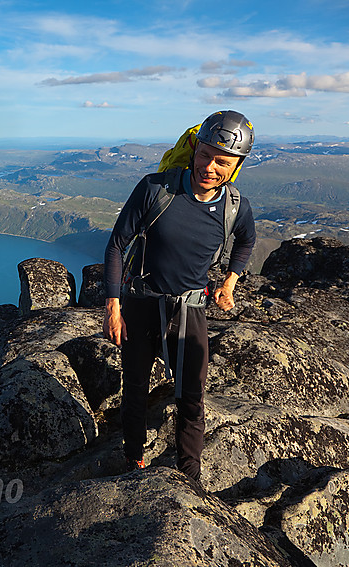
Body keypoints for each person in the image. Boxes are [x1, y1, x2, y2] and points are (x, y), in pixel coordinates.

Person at [102, 110, 257, 481]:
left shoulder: (235, 207)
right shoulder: (157, 189)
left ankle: (189, 478)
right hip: (142, 303)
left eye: (223, 161)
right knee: (135, 387)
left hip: (191, 310)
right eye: (205, 154)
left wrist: (229, 283)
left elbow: (247, 240)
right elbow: (116, 245)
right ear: (193, 149)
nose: (210, 166)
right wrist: (112, 307)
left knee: (191, 399)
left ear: (236, 166)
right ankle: (134, 459)